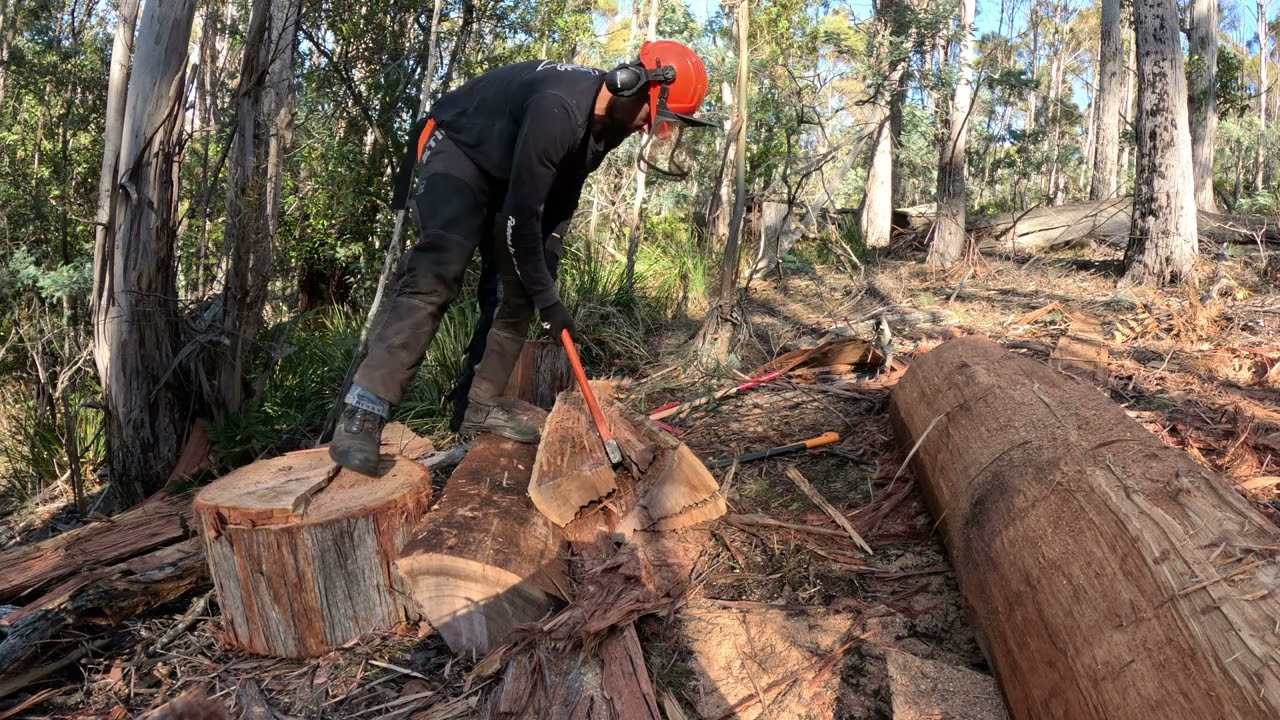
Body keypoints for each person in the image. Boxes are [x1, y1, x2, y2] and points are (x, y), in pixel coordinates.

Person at [330, 41, 713, 476]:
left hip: (508, 173)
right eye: (653, 114)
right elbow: (520, 218)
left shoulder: (609, 125)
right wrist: (553, 304)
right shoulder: (559, 108)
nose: (649, 128)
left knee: (523, 288)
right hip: (459, 147)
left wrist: (549, 255)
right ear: (631, 84)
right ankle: (363, 413)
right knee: (439, 269)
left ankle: (479, 403)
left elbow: (562, 195)